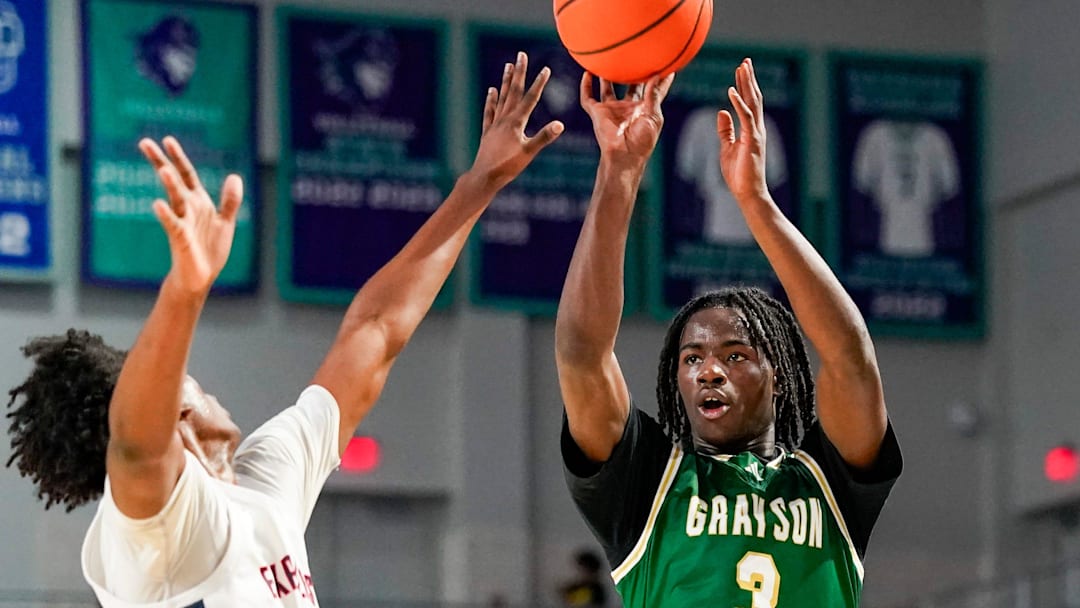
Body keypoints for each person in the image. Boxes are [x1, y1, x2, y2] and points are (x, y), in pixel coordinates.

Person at [5, 51, 563, 606]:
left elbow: (375, 329)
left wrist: (478, 186)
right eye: (183, 378)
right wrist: (185, 291)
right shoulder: (152, 527)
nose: (201, 381)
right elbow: (136, 444)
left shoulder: (263, 476)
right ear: (173, 410)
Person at [555, 59, 902, 607]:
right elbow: (580, 354)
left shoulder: (829, 482)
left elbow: (849, 355)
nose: (709, 369)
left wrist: (756, 204)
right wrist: (619, 171)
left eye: (736, 354)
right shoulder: (647, 482)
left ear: (780, 377)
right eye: (691, 359)